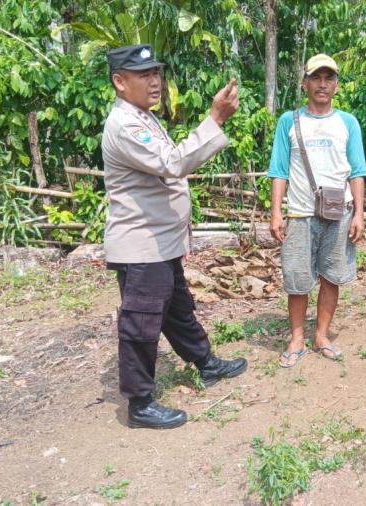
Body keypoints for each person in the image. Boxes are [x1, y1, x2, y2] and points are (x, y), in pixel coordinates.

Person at [101, 44, 247, 429]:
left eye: (156, 73)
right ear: (119, 82)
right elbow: (173, 164)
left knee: (177, 309)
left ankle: (206, 363)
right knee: (142, 322)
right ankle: (140, 403)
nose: (154, 81)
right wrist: (214, 119)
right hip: (141, 245)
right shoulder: (125, 125)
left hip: (159, 242)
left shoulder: (143, 117)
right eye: (143, 75)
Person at [267, 53, 366, 368]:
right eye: (316, 78)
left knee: (331, 276)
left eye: (329, 78)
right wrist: (275, 212)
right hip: (299, 214)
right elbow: (279, 170)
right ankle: (296, 338)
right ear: (305, 82)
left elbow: (357, 171)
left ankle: (321, 335)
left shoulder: (347, 122)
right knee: (297, 279)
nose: (322, 84)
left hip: (340, 213)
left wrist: (360, 213)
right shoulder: (290, 121)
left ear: (336, 85)